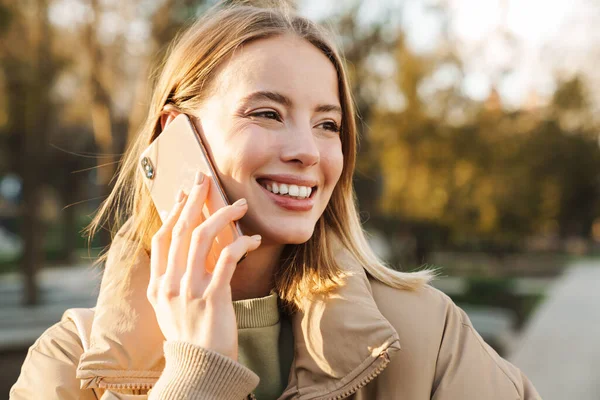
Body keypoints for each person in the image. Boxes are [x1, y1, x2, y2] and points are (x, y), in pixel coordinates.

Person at [10, 2, 540, 399]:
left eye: (327, 124)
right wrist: (196, 375)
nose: (308, 152)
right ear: (176, 136)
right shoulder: (69, 363)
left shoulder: (424, 332)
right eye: (266, 113)